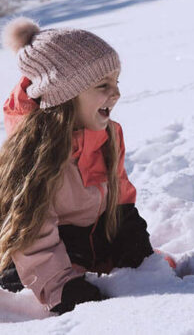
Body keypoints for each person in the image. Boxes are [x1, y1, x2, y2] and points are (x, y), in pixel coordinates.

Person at [0, 17, 154, 314]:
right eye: (102, 85)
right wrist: (62, 286)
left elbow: (119, 193)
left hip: (87, 243)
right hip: (30, 262)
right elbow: (29, 231)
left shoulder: (108, 134)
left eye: (116, 82)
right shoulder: (34, 152)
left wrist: (129, 233)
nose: (116, 93)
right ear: (64, 95)